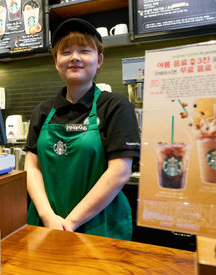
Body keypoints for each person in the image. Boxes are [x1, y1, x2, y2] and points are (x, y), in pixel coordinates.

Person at [24, 18, 140, 240]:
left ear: (99, 60)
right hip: (45, 225)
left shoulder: (115, 106)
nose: (75, 57)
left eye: (85, 51)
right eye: (66, 52)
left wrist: (70, 223)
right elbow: (32, 166)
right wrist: (48, 216)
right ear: (56, 61)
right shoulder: (42, 111)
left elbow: (119, 172)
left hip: (99, 227)